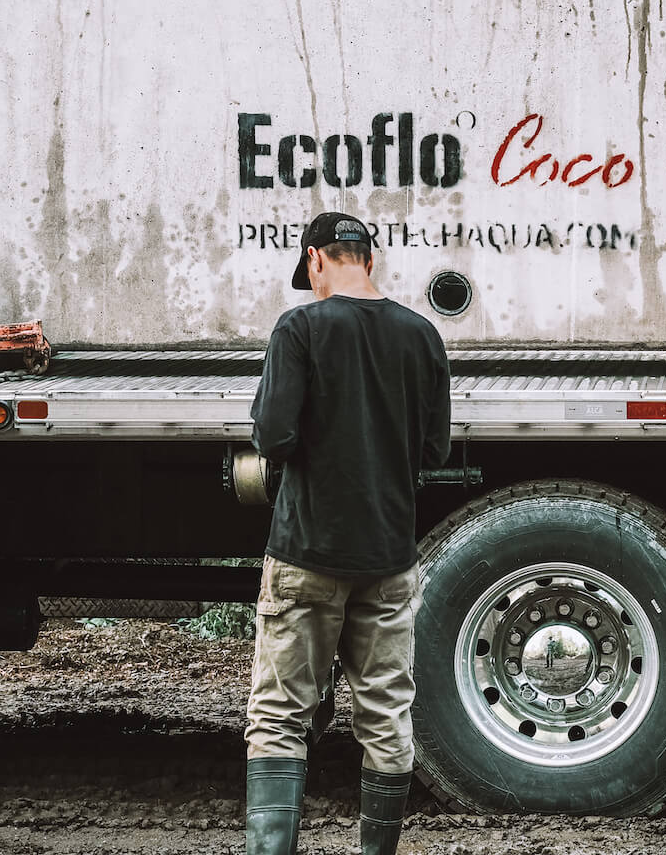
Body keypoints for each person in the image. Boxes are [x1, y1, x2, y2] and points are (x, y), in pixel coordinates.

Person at [244, 211, 451, 855]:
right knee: (386, 714)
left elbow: (273, 436)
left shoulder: (301, 327)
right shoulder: (422, 335)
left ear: (316, 261)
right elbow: (435, 449)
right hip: (388, 555)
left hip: (307, 552)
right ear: (370, 259)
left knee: (280, 715)